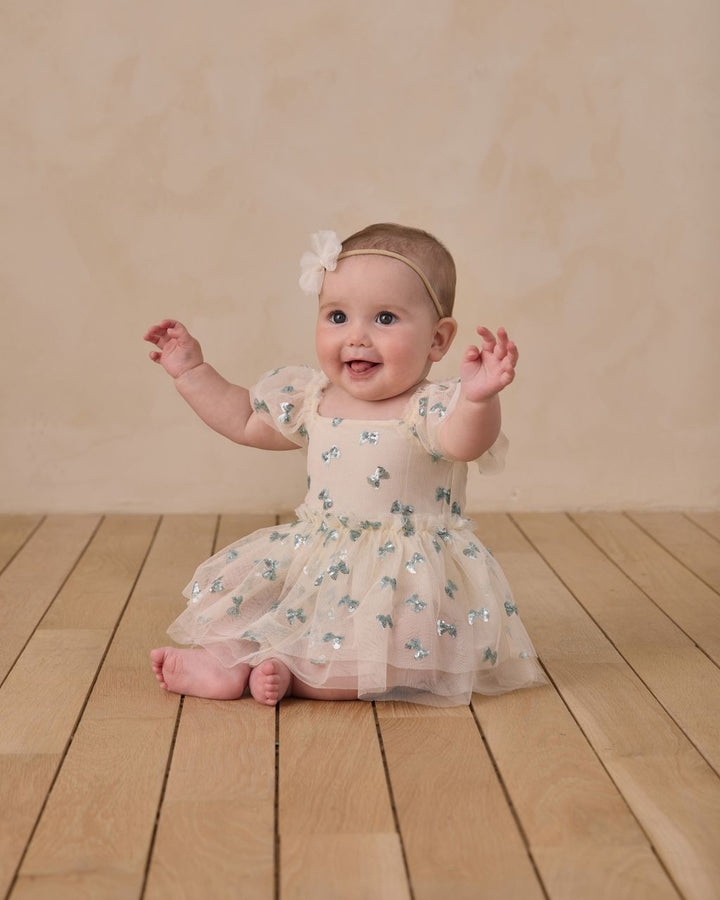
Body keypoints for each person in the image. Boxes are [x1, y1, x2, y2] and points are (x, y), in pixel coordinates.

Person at [146, 224, 545, 707]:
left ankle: (291, 672)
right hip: (319, 561)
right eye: (337, 316)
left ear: (437, 340)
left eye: (385, 318)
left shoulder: (431, 407)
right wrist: (192, 373)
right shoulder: (314, 398)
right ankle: (225, 661)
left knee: (392, 655)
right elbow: (245, 419)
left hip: (402, 579)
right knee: (261, 606)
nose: (356, 337)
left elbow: (464, 443)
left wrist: (479, 398)